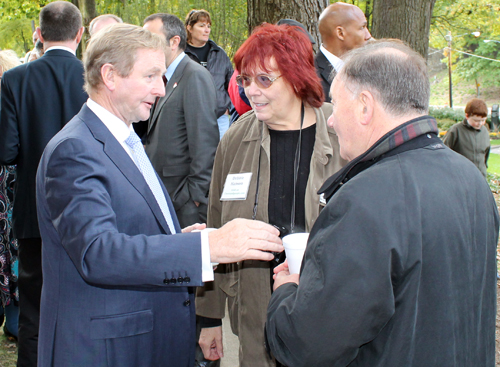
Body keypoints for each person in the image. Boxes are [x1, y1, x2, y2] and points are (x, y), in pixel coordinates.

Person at [36, 23, 283, 367]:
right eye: (151, 76)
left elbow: (125, 232)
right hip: (108, 350)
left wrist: (181, 241)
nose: (162, 87)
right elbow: (98, 252)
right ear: (110, 75)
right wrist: (207, 248)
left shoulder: (123, 138)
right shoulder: (75, 150)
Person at [266, 39, 499, 367]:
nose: (331, 121)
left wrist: (287, 292)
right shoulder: (469, 177)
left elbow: (306, 347)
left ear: (364, 106)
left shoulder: (366, 199)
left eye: (336, 103)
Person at [196, 23, 347, 367]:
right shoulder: (235, 139)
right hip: (255, 313)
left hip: (330, 310)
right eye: (245, 80)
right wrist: (208, 319)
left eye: (265, 80)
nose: (252, 91)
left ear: (297, 77)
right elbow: (215, 226)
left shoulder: (342, 133)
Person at [0, 2, 87, 365]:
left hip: (34, 213)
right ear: (80, 35)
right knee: (83, 306)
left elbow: (6, 149)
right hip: (87, 209)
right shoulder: (96, 76)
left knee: (33, 309)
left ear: (39, 33)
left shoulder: (15, 80)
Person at [142, 13, 219, 228]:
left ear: (174, 42)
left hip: (186, 206)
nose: (144, 46)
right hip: (168, 198)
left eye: (150, 39)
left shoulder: (194, 76)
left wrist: (193, 197)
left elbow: (205, 145)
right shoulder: (164, 78)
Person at [184, 9, 233, 138]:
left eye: (208, 26)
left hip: (219, 117)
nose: (207, 30)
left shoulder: (219, 53)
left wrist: (228, 107)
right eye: (201, 26)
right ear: (189, 28)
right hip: (190, 118)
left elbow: (232, 83)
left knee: (221, 155)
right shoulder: (181, 54)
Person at [0, 49, 21, 342]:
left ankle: (12, 315)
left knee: (7, 249)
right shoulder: (16, 97)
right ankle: (15, 316)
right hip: (13, 184)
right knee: (12, 249)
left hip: (8, 185)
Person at [315, 2, 371, 101]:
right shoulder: (311, 77)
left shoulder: (368, 68)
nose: (368, 35)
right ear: (340, 33)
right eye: (362, 28)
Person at [443, 98, 490, 178]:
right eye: (476, 120)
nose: (480, 123)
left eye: (483, 120)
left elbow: (486, 154)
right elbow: (443, 152)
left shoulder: (485, 131)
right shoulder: (456, 130)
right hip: (460, 177)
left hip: (480, 178)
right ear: (467, 116)